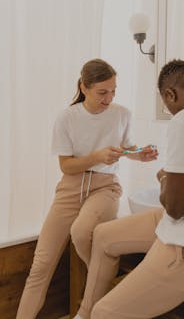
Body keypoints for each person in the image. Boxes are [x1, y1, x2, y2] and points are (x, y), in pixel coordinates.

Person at [74, 59, 184, 319]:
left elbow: (175, 208)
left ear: (170, 94)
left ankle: (94, 313)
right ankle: (83, 314)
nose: (170, 111)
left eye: (166, 104)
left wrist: (164, 178)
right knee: (102, 235)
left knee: (105, 313)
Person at [16, 58, 158, 319]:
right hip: (70, 188)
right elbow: (66, 167)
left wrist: (141, 153)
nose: (109, 97)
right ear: (84, 87)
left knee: (81, 231)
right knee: (41, 264)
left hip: (105, 187)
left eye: (113, 90)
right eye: (102, 92)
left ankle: (91, 302)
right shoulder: (67, 117)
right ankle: (106, 274)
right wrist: (97, 156)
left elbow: (126, 148)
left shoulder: (122, 114)